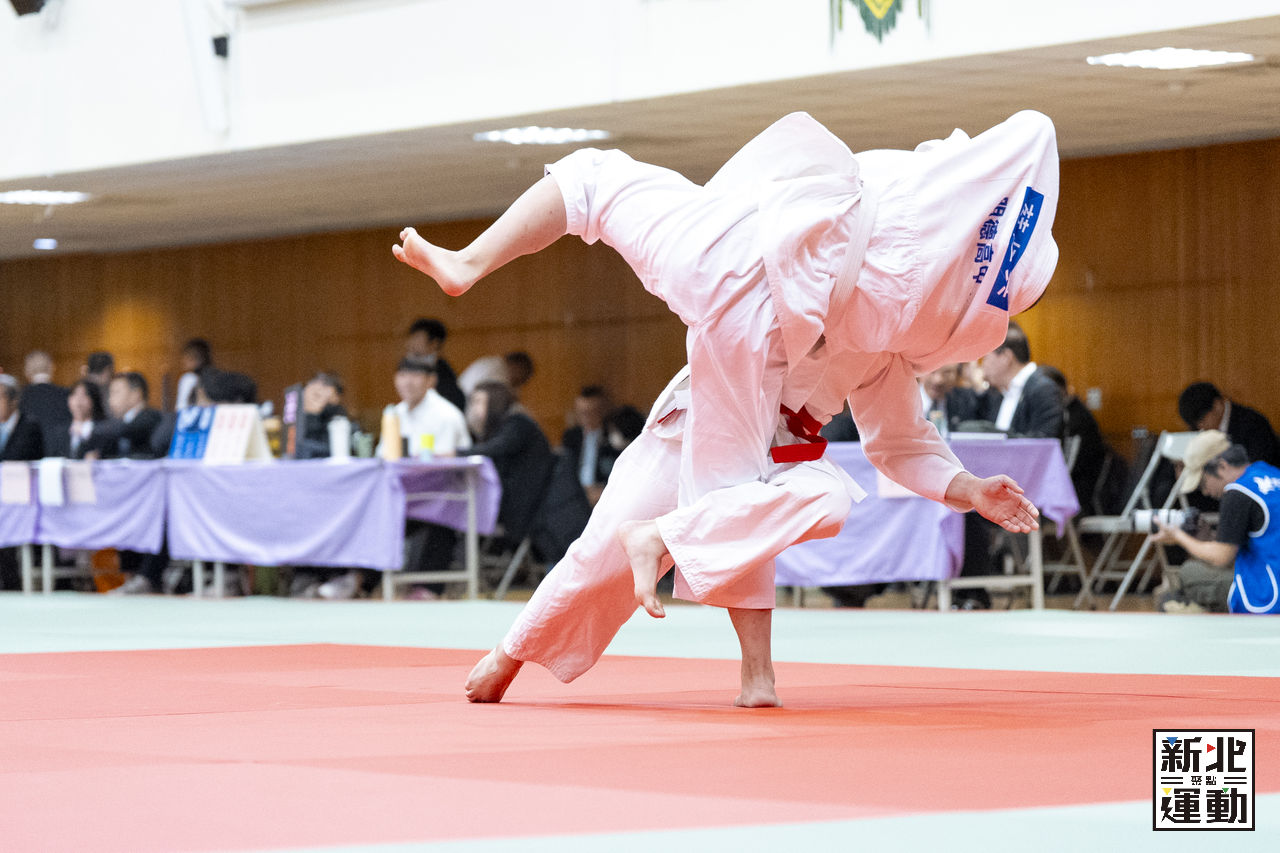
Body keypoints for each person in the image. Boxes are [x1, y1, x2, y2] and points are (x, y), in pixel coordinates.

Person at [394, 109, 1057, 705]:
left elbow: (900, 440)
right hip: (709, 367)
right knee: (604, 550)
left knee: (805, 497)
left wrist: (968, 487)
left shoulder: (885, 334)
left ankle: (747, 664)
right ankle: (513, 653)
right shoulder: (886, 264)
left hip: (747, 348)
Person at [1152, 430, 1280, 614]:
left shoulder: (1237, 492)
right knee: (1177, 597)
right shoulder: (1272, 474)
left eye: (1203, 482)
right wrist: (1209, 538)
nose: (1205, 492)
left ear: (1222, 466)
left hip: (1268, 595)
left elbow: (1221, 557)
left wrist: (1179, 536)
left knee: (1188, 572)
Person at [977, 321, 1064, 438]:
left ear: (1006, 357)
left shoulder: (1044, 390)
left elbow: (1044, 441)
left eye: (986, 357)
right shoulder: (999, 393)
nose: (983, 365)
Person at [1177, 382, 1280, 467]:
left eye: (1202, 420)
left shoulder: (1253, 424)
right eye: (1196, 424)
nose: (1200, 427)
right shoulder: (1198, 427)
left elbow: (1260, 466)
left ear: (1217, 405)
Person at [562, 385, 619, 506]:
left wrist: (603, 489)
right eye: (582, 413)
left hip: (603, 494)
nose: (586, 418)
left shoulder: (613, 436)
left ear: (601, 411)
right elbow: (565, 468)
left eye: (590, 413)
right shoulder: (571, 436)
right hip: (577, 494)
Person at [405, 318, 466, 412]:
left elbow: (456, 402)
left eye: (417, 338)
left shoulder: (443, 372)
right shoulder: (411, 366)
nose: (410, 343)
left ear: (434, 343)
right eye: (411, 337)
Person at [18, 350, 70, 456]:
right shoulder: (67, 394)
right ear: (52, 367)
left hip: (28, 454)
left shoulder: (18, 398)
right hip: (60, 452)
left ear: (26, 370)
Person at [46, 378, 107, 459]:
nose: (78, 400)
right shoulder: (59, 432)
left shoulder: (104, 429)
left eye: (84, 395)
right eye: (74, 394)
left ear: (93, 399)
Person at [174, 338, 213, 411]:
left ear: (199, 359)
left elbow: (181, 407)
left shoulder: (189, 378)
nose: (183, 361)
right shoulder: (212, 378)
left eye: (188, 357)